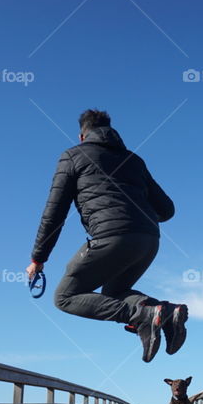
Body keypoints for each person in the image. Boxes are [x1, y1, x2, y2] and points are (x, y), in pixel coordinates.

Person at [26, 109, 188, 363]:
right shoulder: (134, 160)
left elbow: (54, 212)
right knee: (115, 290)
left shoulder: (72, 156)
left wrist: (38, 258)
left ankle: (142, 317)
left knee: (64, 297)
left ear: (82, 135)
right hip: (149, 241)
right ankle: (166, 312)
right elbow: (167, 210)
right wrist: (136, 214)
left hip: (111, 238)